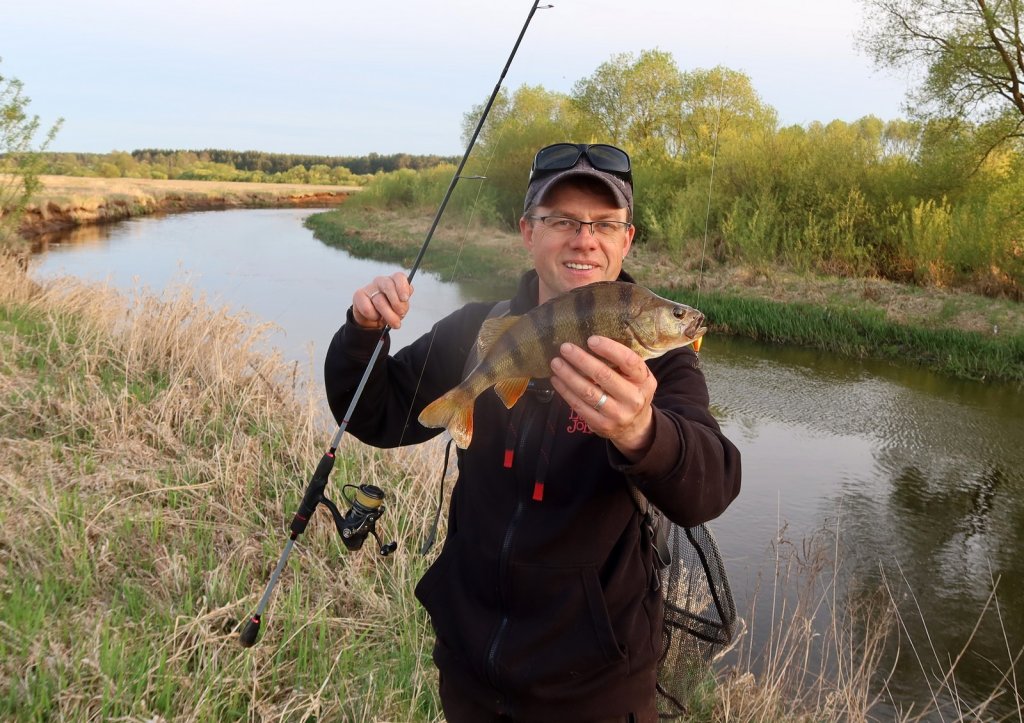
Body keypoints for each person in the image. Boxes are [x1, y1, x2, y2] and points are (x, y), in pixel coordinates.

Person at [324, 142, 742, 722]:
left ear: (627, 240)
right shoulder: (478, 331)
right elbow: (371, 413)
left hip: (596, 693)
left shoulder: (662, 366)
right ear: (527, 232)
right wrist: (362, 335)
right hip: (470, 674)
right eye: (562, 220)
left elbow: (710, 487)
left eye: (604, 223)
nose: (584, 238)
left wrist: (643, 431)